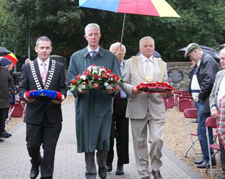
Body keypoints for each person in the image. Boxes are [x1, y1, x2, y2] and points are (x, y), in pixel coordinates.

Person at [67, 23, 121, 179]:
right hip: (85, 106)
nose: (93, 37)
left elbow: (118, 80)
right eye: (90, 34)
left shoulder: (110, 57)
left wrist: (113, 89)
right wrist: (77, 89)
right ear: (85, 37)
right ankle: (90, 170)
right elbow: (71, 80)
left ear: (100, 35)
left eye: (96, 34)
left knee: (103, 138)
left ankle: (102, 165)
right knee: (87, 138)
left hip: (104, 106)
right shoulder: (76, 57)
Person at [122, 36, 172, 179]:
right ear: (140, 48)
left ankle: (155, 167)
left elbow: (165, 84)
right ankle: (144, 172)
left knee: (157, 139)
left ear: (154, 47)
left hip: (156, 107)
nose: (149, 48)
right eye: (145, 45)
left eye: (151, 45)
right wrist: (133, 89)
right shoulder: (130, 63)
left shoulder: (162, 63)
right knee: (139, 143)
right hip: (137, 106)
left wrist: (168, 92)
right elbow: (123, 83)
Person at [18, 36, 67, 179]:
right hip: (33, 114)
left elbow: (63, 89)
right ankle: (35, 162)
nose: (44, 51)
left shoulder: (58, 67)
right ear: (36, 49)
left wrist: (61, 98)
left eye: (47, 48)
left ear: (51, 49)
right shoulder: (27, 67)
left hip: (53, 116)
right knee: (32, 146)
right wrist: (26, 97)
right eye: (42, 48)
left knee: (50, 150)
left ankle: (46, 176)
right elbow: (21, 89)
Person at [185, 43, 219, 168]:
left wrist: (200, 96)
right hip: (202, 101)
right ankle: (209, 157)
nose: (190, 58)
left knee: (202, 131)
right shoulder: (202, 61)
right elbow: (197, 78)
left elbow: (209, 81)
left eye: (190, 56)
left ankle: (208, 159)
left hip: (204, 101)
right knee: (205, 130)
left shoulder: (207, 61)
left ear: (195, 52)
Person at [106, 42, 129, 175]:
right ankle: (108, 161)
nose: (116, 55)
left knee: (122, 134)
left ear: (124, 54)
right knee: (108, 134)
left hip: (124, 102)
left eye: (119, 53)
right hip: (109, 102)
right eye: (113, 52)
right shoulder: (106, 66)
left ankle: (121, 163)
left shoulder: (128, 66)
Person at [209, 48, 225, 179]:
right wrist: (213, 107)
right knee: (222, 144)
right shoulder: (219, 74)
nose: (221, 61)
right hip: (220, 116)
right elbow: (213, 94)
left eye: (224, 58)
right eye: (220, 58)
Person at [0, 57, 14, 138]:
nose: (12, 67)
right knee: (2, 115)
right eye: (10, 66)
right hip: (3, 97)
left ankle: (2, 129)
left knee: (5, 114)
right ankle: (1, 130)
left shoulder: (9, 73)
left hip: (7, 96)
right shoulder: (4, 74)